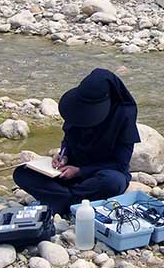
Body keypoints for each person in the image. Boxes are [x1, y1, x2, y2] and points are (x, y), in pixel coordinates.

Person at [13, 68, 139, 216]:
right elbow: (68, 138)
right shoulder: (76, 104)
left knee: (114, 182)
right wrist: (63, 155)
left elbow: (120, 164)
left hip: (100, 173)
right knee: (22, 173)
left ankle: (61, 200)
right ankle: (72, 201)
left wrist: (80, 171)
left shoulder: (124, 115)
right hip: (68, 172)